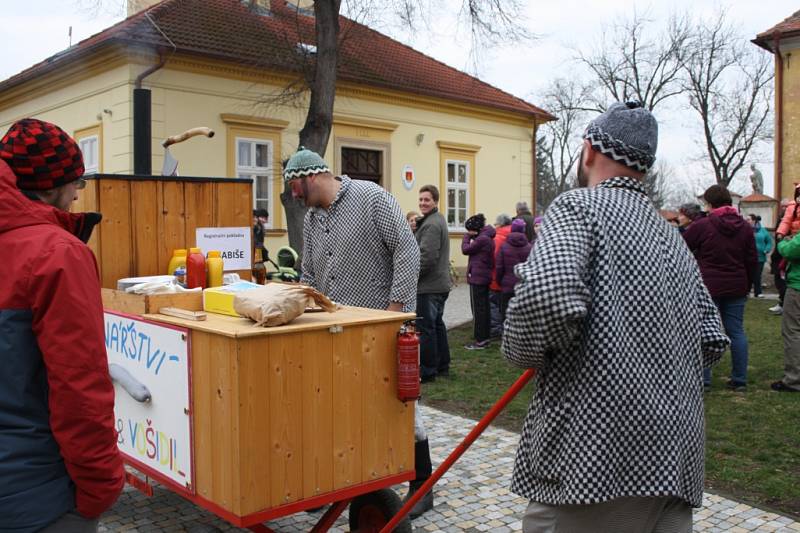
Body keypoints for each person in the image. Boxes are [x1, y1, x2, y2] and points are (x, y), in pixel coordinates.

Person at [502, 102, 728, 533]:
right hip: (675, 453)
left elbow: (547, 295)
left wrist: (524, 352)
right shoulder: (671, 233)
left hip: (601, 458)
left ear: (588, 150)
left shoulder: (578, 208)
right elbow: (712, 339)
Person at [283, 147, 434, 518]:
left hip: (382, 326)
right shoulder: (312, 219)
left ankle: (422, 483)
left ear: (313, 175)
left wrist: (394, 313)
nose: (295, 195)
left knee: (399, 406)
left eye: (295, 186)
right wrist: (300, 303)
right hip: (334, 331)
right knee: (337, 405)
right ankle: (337, 482)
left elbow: (407, 251)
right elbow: (308, 273)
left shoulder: (371, 198)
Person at [0, 118, 125, 532]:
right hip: (37, 494)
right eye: (76, 182)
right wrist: (102, 486)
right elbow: (79, 388)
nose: (76, 194)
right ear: (53, 186)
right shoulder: (56, 254)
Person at [684, 185, 757, 391]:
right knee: (736, 332)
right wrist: (748, 284)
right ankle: (739, 379)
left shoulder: (702, 225)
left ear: (709, 203)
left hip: (709, 286)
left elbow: (682, 247)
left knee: (706, 331)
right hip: (737, 286)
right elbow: (751, 260)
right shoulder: (744, 227)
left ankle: (704, 379)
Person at [415, 185, 451, 383]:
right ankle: (442, 366)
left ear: (435, 201)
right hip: (439, 285)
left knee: (427, 329)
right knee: (437, 326)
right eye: (420, 200)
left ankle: (428, 371)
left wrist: (410, 276)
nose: (422, 203)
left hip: (429, 286)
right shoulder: (436, 219)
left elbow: (426, 258)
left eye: (426, 200)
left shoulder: (431, 224)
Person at [462, 213, 495, 350]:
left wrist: (466, 237)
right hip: (483, 277)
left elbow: (465, 250)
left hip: (478, 278)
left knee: (478, 310)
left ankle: (480, 340)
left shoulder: (482, 239)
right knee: (484, 308)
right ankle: (485, 337)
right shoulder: (487, 237)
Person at [772, 230, 800, 392]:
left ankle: (794, 380)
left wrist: (782, 241)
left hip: (797, 288)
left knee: (793, 331)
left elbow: (790, 251)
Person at [495, 218, 531, 321]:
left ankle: (506, 335)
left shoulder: (504, 246)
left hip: (507, 287)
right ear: (523, 230)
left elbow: (499, 267)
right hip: (523, 287)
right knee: (521, 317)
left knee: (506, 316)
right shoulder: (529, 247)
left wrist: (500, 282)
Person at [489, 213, 513, 338]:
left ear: (500, 224)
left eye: (496, 223)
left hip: (496, 277)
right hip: (512, 279)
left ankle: (496, 329)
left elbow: (494, 258)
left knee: (493, 304)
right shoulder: (516, 235)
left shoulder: (497, 238)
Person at [770, 198, 792, 315]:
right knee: (778, 280)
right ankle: (781, 302)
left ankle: (784, 305)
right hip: (778, 255)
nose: (784, 208)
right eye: (782, 206)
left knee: (784, 282)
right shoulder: (781, 219)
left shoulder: (791, 220)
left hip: (785, 255)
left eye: (786, 206)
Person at [748, 214, 773, 298]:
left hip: (760, 257)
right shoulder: (745, 230)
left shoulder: (763, 231)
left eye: (748, 219)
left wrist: (766, 249)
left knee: (757, 275)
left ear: (754, 220)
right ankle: (746, 291)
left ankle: (758, 292)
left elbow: (769, 242)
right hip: (748, 256)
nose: (747, 221)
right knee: (748, 274)